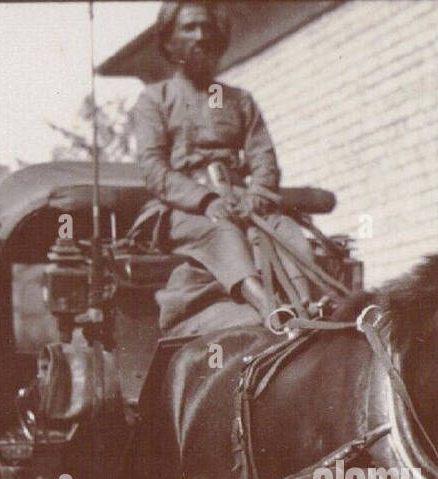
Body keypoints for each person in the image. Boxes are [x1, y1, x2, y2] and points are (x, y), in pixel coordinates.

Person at [130, 1, 316, 323]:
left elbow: (263, 155)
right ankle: (268, 308)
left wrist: (257, 195)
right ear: (168, 41)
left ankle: (308, 301)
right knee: (222, 230)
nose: (201, 36)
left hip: (241, 198)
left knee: (282, 227)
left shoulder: (239, 100)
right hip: (186, 207)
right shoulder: (155, 99)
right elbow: (154, 169)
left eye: (207, 28)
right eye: (189, 28)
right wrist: (206, 201)